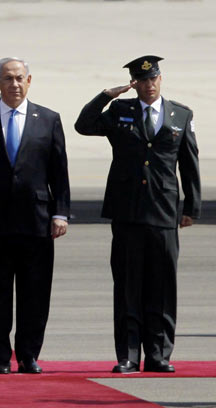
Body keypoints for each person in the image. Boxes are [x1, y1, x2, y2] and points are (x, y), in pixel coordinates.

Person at [74, 55, 201, 374]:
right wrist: (107, 96)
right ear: (134, 83)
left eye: (152, 79)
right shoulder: (120, 112)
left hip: (163, 213)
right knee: (128, 285)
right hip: (128, 211)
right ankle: (129, 354)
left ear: (161, 79)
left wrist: (191, 208)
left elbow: (189, 163)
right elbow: (84, 125)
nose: (148, 85)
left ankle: (159, 354)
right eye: (141, 81)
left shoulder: (180, 114)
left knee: (162, 287)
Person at [0, 57, 70, 374]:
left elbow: (59, 172)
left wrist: (60, 213)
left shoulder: (47, 119)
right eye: (7, 79)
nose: (14, 84)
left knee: (34, 293)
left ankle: (28, 354)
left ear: (29, 80)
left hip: (37, 222)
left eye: (19, 78)